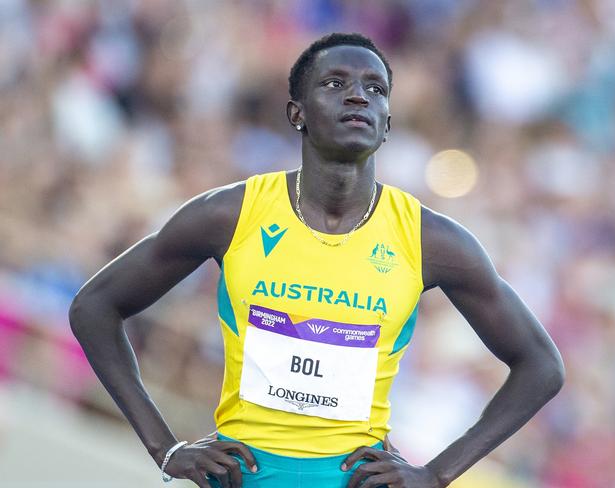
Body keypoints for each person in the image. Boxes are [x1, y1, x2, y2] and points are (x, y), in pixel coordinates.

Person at [69, 33, 565, 488]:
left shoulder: (430, 240)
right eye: (335, 83)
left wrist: (436, 475)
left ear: (387, 123)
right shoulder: (231, 214)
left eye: (376, 89)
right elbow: (94, 307)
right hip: (246, 477)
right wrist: (165, 446)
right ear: (297, 113)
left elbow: (541, 365)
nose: (358, 97)